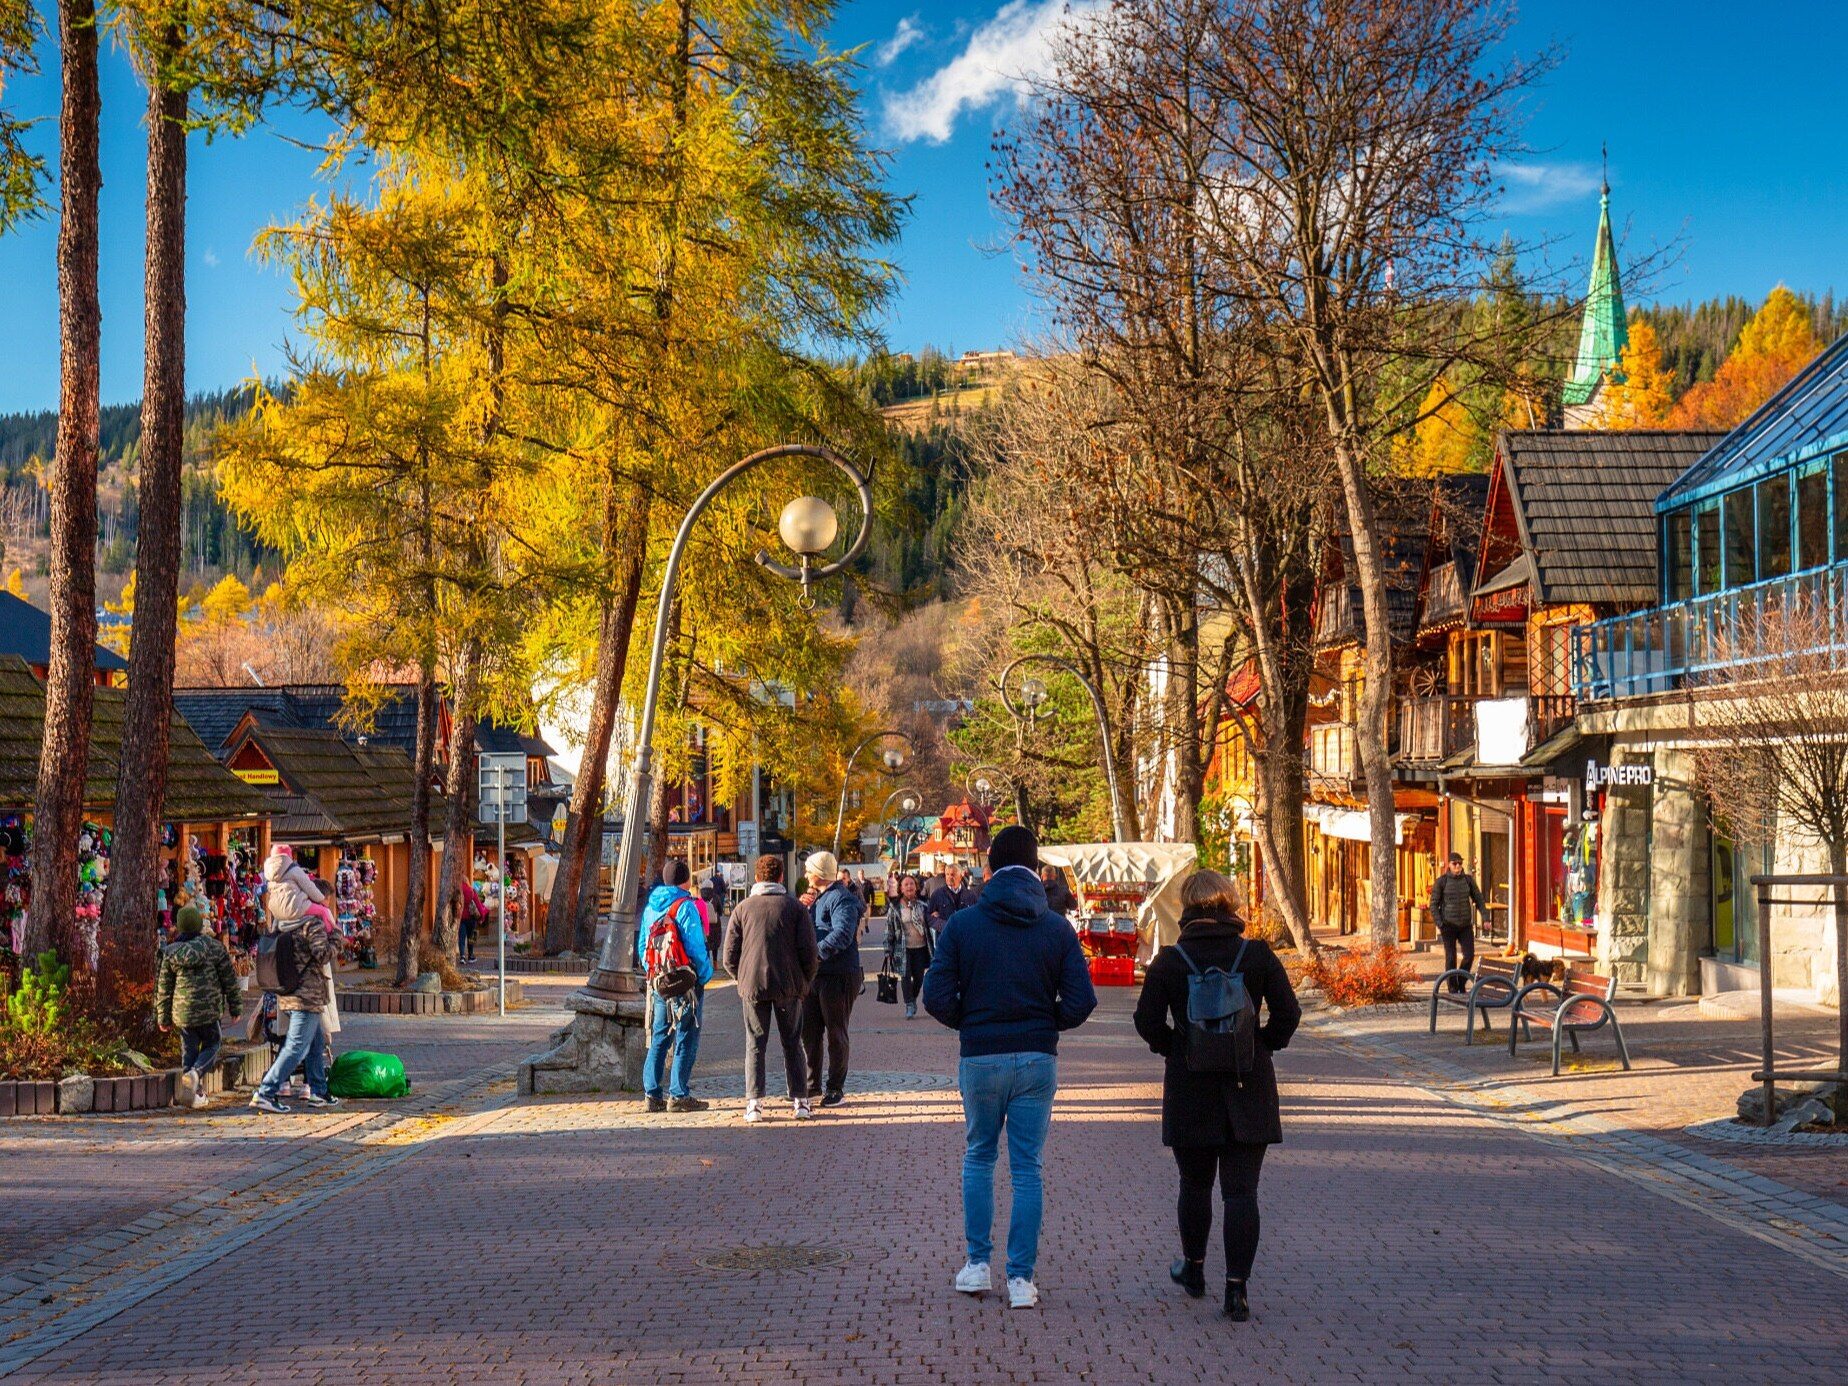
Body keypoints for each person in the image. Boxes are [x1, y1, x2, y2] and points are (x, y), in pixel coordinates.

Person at [923, 826, 1097, 1310]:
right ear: (1037, 871)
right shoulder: (1056, 928)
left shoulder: (963, 925)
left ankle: (977, 1265)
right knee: (1027, 1169)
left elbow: (935, 995)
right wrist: (1046, 1025)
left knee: (979, 1156)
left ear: (990, 869)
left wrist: (972, 1023)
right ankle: (1021, 1278)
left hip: (980, 1056)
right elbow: (1082, 1000)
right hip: (1037, 1058)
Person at [1132, 869, 1301, 1323]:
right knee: (1242, 1192)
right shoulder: (1257, 954)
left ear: (1187, 907)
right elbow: (1289, 1013)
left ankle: (1194, 1269)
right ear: (1230, 905)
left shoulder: (1170, 960)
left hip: (1191, 1088)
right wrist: (1261, 1046)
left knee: (1195, 1184)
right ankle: (1237, 1289)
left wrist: (1177, 1048)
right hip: (1249, 1086)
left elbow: (1146, 1022)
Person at [723, 854, 820, 1122]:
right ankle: (800, 1101)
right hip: (789, 986)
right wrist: (805, 981)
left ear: (756, 878)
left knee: (755, 1044)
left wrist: (741, 978)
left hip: (753, 985)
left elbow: (729, 955)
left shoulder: (743, 909)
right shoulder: (795, 909)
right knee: (793, 1043)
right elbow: (809, 952)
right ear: (780, 877)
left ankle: (754, 1104)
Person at [636, 859, 714, 1113]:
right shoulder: (685, 906)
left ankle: (652, 1092)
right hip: (685, 979)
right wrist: (704, 975)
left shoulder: (650, 908)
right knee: (686, 1034)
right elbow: (695, 947)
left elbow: (642, 946)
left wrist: (653, 974)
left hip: (659, 980)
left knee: (659, 1034)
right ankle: (679, 1094)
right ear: (686, 881)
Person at [251, 902, 338, 1114]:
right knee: (296, 1047)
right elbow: (323, 955)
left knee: (316, 1043)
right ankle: (266, 1091)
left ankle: (318, 1090)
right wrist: (335, 936)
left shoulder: (284, 923)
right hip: (306, 997)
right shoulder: (312, 925)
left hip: (288, 993)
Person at [157, 905, 243, 1109]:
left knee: (189, 1049)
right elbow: (229, 979)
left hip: (182, 1011)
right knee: (213, 1043)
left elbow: (164, 987)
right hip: (209, 1009)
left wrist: (163, 1017)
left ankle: (193, 1093)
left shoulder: (170, 953)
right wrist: (236, 1006)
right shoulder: (214, 948)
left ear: (179, 927)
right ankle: (195, 1074)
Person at [799, 850, 865, 1108]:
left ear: (819, 873)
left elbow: (842, 934)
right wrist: (803, 907)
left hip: (838, 975)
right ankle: (811, 1084)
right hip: (816, 975)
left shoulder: (841, 898)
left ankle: (835, 1087)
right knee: (810, 1032)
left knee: (836, 1033)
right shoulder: (818, 897)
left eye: (808, 870)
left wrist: (815, 954)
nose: (805, 875)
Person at [1430, 852, 1490, 993]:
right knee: (1451, 958)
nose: (1457, 866)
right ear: (1449, 865)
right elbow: (1433, 904)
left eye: (1460, 863)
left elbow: (1479, 899)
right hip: (1448, 925)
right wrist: (1440, 923)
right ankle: (1452, 987)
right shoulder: (1442, 882)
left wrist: (1486, 918)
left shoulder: (1468, 880)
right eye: (1454, 863)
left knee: (1469, 955)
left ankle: (1461, 982)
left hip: (1465, 925)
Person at [887, 874, 933, 1019]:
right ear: (900, 888)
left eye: (912, 884)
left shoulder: (924, 904)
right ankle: (909, 1004)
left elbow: (931, 922)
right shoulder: (894, 907)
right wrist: (887, 949)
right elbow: (889, 929)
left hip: (921, 947)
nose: (909, 887)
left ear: (916, 887)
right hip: (903, 948)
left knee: (919, 977)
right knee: (905, 976)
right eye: (906, 884)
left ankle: (912, 998)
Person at [457, 877, 485, 964]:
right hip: (472, 919)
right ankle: (471, 955)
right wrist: (482, 917)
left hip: (461, 918)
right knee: (471, 937)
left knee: (461, 938)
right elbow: (478, 905)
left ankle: (462, 956)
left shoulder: (458, 891)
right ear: (467, 881)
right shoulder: (472, 891)